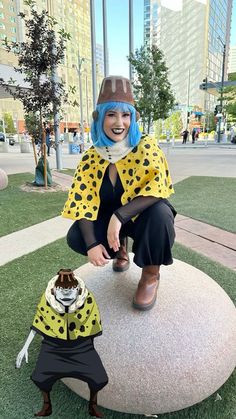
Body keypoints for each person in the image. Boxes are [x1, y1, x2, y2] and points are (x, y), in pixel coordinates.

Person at [62, 76, 176, 311]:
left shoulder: (145, 145)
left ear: (133, 118)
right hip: (112, 222)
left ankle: (150, 275)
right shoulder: (91, 156)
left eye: (126, 115)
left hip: (139, 218)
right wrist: (92, 243)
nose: (119, 122)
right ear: (100, 117)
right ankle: (120, 249)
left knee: (161, 214)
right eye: (111, 114)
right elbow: (80, 201)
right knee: (77, 236)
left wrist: (119, 216)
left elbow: (158, 187)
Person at [16, 269, 108, 418]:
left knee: (100, 378)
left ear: (78, 291)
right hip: (53, 347)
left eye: (71, 291)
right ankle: (47, 405)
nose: (66, 295)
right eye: (61, 291)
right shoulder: (46, 301)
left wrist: (90, 350)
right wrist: (25, 347)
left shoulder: (88, 300)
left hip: (81, 346)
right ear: (54, 290)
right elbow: (39, 321)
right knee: (40, 377)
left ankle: (93, 405)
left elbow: (93, 325)